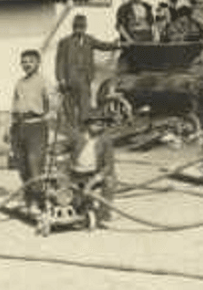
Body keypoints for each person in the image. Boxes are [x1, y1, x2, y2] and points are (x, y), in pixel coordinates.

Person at [55, 15, 121, 132]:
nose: (79, 30)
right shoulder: (64, 42)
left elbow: (103, 45)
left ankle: (84, 129)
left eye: (82, 27)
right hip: (69, 80)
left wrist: (117, 45)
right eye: (77, 27)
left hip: (84, 79)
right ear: (73, 27)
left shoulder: (89, 40)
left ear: (85, 27)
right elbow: (59, 62)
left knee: (85, 106)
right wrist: (61, 79)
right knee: (69, 107)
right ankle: (73, 131)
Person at [8, 49, 54, 212]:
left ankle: (39, 202)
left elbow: (54, 102)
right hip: (19, 126)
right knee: (22, 166)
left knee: (35, 166)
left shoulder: (44, 81)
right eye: (24, 62)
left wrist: (48, 117)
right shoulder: (19, 83)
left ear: (38, 63)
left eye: (31, 61)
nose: (27, 64)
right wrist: (9, 128)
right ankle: (29, 200)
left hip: (36, 127)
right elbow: (14, 106)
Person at [68, 110, 116, 225]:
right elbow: (63, 148)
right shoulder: (77, 136)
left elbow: (109, 165)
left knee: (110, 180)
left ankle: (103, 214)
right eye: (96, 123)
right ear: (88, 124)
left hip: (93, 175)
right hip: (76, 175)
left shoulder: (105, 140)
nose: (100, 125)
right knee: (75, 204)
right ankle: (81, 205)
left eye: (102, 123)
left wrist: (92, 182)